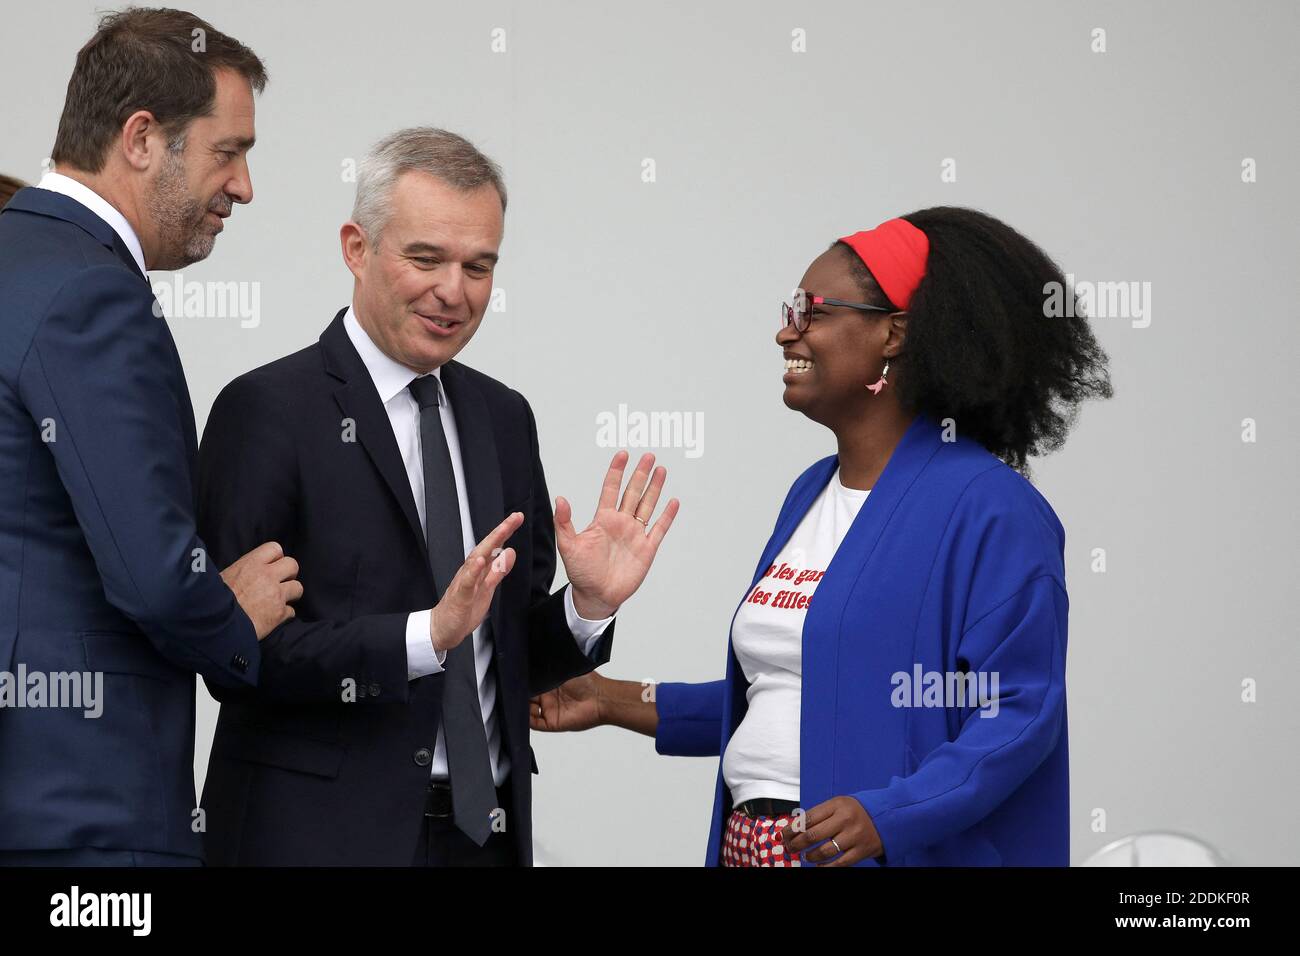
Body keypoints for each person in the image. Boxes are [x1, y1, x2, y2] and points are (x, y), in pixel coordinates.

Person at [531, 208, 1113, 867]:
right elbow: (801, 696)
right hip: (751, 848)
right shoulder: (810, 492)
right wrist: (610, 699)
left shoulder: (991, 509)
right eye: (790, 308)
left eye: (811, 309)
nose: (787, 331)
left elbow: (1020, 713)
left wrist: (892, 812)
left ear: (893, 333)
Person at [196, 127, 679, 866]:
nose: (454, 291)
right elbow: (235, 658)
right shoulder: (266, 410)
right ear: (356, 248)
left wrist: (588, 610)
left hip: (482, 838)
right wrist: (425, 636)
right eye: (426, 258)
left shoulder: (503, 416)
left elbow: (504, 648)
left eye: (478, 266)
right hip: (317, 839)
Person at [0, 8, 299, 866]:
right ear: (141, 139)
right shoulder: (92, 293)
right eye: (228, 151)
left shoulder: (18, 259)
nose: (243, 186)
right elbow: (156, 578)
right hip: (80, 815)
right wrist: (229, 618)